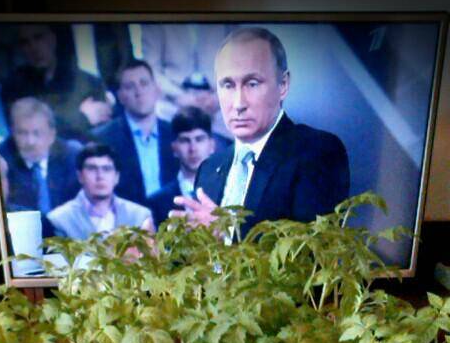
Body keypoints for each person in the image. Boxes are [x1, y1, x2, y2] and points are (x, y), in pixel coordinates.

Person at [171, 27, 350, 239]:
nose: (238, 103)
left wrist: (226, 232)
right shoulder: (208, 169)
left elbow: (311, 250)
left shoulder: (317, 152)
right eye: (228, 85)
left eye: (252, 84)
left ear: (283, 85)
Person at [0, 23, 112, 141]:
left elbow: (102, 133)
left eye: (39, 37)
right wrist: (82, 118)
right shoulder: (14, 89)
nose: (33, 47)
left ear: (52, 39)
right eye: (25, 42)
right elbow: (29, 136)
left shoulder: (89, 83)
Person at [92, 60, 178, 206]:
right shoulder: (102, 139)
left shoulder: (176, 133)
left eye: (144, 83)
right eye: (130, 87)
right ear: (120, 96)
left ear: (157, 90)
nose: (139, 92)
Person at [47, 142, 153, 240]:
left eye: (106, 169)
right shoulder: (59, 220)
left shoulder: (140, 216)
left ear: (116, 177)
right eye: (92, 169)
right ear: (80, 176)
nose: (100, 176)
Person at [0, 98, 81, 215]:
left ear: (52, 135)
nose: (30, 142)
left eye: (37, 133)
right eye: (22, 133)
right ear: (12, 132)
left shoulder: (72, 157)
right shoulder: (1, 161)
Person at [148, 107, 215, 228]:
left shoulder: (227, 191)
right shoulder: (157, 202)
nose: (193, 149)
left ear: (212, 145)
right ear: (174, 148)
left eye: (199, 139)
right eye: (185, 140)